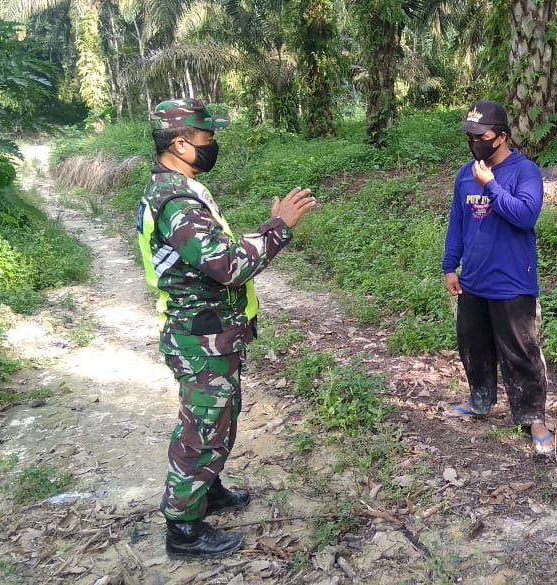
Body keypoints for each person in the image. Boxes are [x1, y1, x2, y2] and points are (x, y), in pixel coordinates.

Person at [136, 98, 317, 559]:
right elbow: (228, 265)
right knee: (201, 427)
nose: (213, 144)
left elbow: (216, 251)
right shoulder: (175, 201)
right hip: (200, 338)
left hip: (212, 333)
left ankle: (207, 488)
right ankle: (183, 528)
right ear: (180, 142)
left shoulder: (182, 189)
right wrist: (278, 229)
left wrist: (265, 229)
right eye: (207, 137)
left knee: (219, 417)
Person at [440, 100, 554, 456]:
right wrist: (449, 266)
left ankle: (534, 417)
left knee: (521, 353)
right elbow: (458, 223)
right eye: (470, 135)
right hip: (473, 279)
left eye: (482, 135)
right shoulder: (464, 174)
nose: (474, 141)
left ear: (501, 137)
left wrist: (490, 185)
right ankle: (479, 401)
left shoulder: (525, 172)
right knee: (474, 348)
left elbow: (524, 216)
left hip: (512, 283)